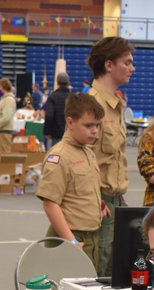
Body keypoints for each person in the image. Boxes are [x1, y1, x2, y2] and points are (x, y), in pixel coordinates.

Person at [36, 93, 107, 273]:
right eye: (88, 125)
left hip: (91, 236)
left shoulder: (88, 152)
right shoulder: (59, 157)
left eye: (98, 125)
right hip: (71, 237)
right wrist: (71, 241)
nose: (95, 131)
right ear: (70, 122)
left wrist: (99, 204)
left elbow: (83, 188)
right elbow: (50, 203)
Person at [87, 36, 136, 277]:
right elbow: (81, 160)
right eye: (126, 62)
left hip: (115, 200)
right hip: (98, 202)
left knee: (113, 268)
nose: (132, 68)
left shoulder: (115, 104)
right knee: (99, 271)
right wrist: (95, 201)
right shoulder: (91, 105)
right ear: (109, 65)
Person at [43, 71, 72, 148]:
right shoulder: (73, 97)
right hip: (71, 135)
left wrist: (47, 132)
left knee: (55, 158)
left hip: (56, 135)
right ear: (68, 82)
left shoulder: (52, 97)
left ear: (57, 82)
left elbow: (49, 116)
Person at [0, 77, 17, 153]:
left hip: (3, 132)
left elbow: (7, 117)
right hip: (0, 132)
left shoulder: (9, 100)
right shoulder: (4, 99)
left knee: (3, 157)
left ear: (5, 87)